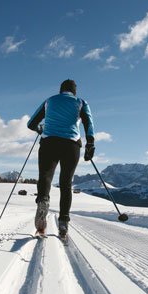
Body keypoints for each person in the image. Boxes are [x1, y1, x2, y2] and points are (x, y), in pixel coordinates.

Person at [27, 78, 95, 238]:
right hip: (71, 145)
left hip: (49, 142)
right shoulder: (81, 102)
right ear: (74, 91)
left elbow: (31, 123)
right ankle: (63, 223)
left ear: (61, 90)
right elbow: (89, 123)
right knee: (66, 183)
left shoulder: (49, 101)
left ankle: (43, 203)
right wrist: (90, 143)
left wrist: (40, 129)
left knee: (45, 177)